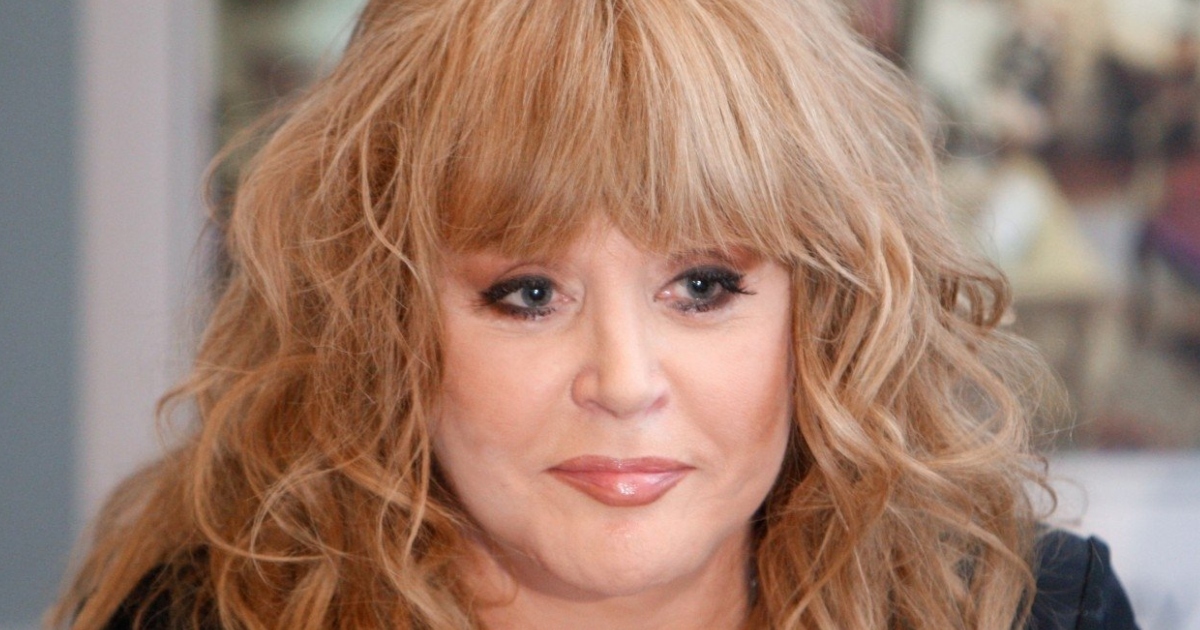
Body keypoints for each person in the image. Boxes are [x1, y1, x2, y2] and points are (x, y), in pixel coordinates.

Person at [52, 0, 1138, 628]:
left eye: (703, 288)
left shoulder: (1026, 614)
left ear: (828, 312)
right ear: (383, 319)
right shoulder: (198, 617)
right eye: (528, 293)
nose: (624, 382)